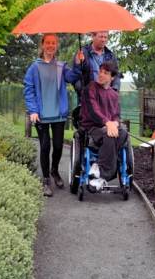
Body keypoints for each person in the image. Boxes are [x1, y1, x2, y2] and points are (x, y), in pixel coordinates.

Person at [23, 33, 71, 197]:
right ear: (42, 45)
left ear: (56, 46)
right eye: (48, 43)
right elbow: (28, 90)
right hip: (41, 115)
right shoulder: (34, 68)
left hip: (58, 114)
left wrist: (79, 62)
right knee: (45, 146)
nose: (51, 45)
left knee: (58, 146)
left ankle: (54, 171)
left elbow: (73, 77)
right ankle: (45, 180)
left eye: (54, 43)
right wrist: (33, 110)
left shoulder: (61, 66)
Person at [80, 60, 129, 191]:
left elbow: (117, 115)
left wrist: (115, 123)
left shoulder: (114, 94)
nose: (101, 75)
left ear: (112, 77)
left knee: (123, 133)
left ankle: (98, 170)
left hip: (108, 128)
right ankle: (105, 174)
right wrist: (107, 123)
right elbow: (93, 111)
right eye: (100, 71)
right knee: (110, 135)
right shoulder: (90, 88)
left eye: (105, 73)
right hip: (92, 127)